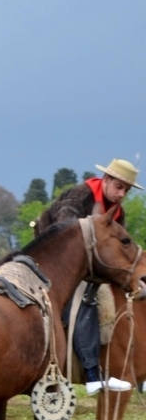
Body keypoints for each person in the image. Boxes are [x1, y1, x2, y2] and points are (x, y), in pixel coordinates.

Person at [34, 158, 142, 396]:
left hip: (85, 268)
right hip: (48, 261)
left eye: (126, 190)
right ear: (106, 180)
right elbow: (64, 237)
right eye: (118, 186)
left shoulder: (117, 212)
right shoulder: (78, 196)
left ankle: (126, 369)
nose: (121, 194)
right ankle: (92, 373)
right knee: (84, 300)